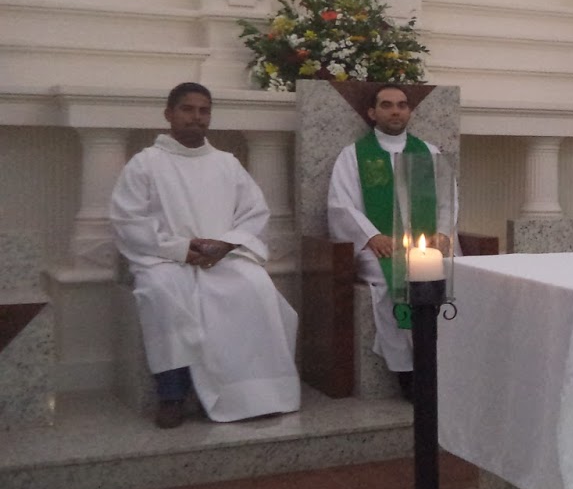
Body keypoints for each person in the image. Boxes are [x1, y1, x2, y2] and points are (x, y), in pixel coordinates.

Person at [109, 83, 301, 429]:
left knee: (255, 286)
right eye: (187, 109)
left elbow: (254, 212)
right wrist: (181, 249)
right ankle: (172, 395)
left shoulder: (227, 164)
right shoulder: (145, 164)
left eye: (204, 110)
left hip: (221, 257)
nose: (196, 117)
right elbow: (128, 221)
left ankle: (256, 392)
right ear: (169, 114)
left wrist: (226, 244)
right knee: (163, 295)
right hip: (164, 259)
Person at [326, 85, 442, 398]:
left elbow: (448, 200)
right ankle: (409, 371)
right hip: (379, 248)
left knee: (449, 276)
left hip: (426, 247)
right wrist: (371, 235)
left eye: (402, 105)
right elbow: (341, 204)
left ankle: (442, 365)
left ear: (409, 111)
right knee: (396, 280)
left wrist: (443, 232)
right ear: (372, 113)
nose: (395, 111)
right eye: (387, 105)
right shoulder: (354, 156)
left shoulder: (428, 153)